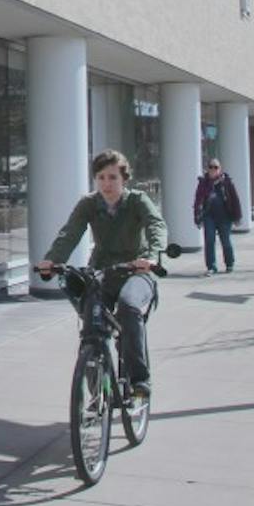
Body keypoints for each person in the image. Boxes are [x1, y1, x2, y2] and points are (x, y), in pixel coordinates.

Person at [36, 150, 167, 398]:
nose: (106, 184)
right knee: (91, 326)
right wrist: (53, 260)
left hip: (136, 271)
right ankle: (98, 392)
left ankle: (140, 380)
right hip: (103, 272)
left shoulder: (137, 201)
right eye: (101, 177)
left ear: (124, 179)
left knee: (129, 306)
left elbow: (156, 225)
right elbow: (70, 233)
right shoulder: (89, 204)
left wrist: (152, 257)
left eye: (112, 177)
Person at [193, 158, 241, 276]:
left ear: (220, 169)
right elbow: (198, 201)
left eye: (216, 167)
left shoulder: (227, 182)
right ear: (207, 168)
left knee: (226, 241)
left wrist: (237, 217)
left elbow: (235, 199)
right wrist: (197, 217)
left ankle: (229, 264)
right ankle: (211, 267)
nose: (213, 169)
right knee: (209, 240)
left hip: (225, 217)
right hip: (209, 216)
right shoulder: (203, 183)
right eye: (211, 167)